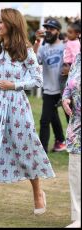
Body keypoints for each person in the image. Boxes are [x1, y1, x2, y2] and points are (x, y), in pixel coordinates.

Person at [0, 8, 55, 220]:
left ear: (11, 24)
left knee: (26, 151)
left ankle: (38, 193)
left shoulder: (25, 50)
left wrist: (14, 85)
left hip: (17, 107)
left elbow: (37, 81)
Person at [33, 18, 67, 153]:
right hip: (48, 90)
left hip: (64, 90)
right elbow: (33, 61)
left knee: (71, 119)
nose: (48, 31)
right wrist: (36, 42)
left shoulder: (65, 45)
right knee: (45, 120)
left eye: (51, 29)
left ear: (58, 31)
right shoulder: (43, 48)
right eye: (46, 28)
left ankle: (70, 144)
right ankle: (43, 151)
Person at [62, 50, 81, 228]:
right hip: (77, 127)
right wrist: (65, 98)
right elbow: (69, 84)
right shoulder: (78, 59)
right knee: (76, 172)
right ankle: (78, 217)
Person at [56, 20, 81, 109]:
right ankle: (63, 97)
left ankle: (65, 98)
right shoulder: (70, 41)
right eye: (68, 31)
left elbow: (76, 56)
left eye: (70, 33)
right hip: (66, 64)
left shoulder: (75, 43)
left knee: (65, 83)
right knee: (62, 82)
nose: (68, 34)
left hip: (70, 65)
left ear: (78, 34)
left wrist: (71, 68)